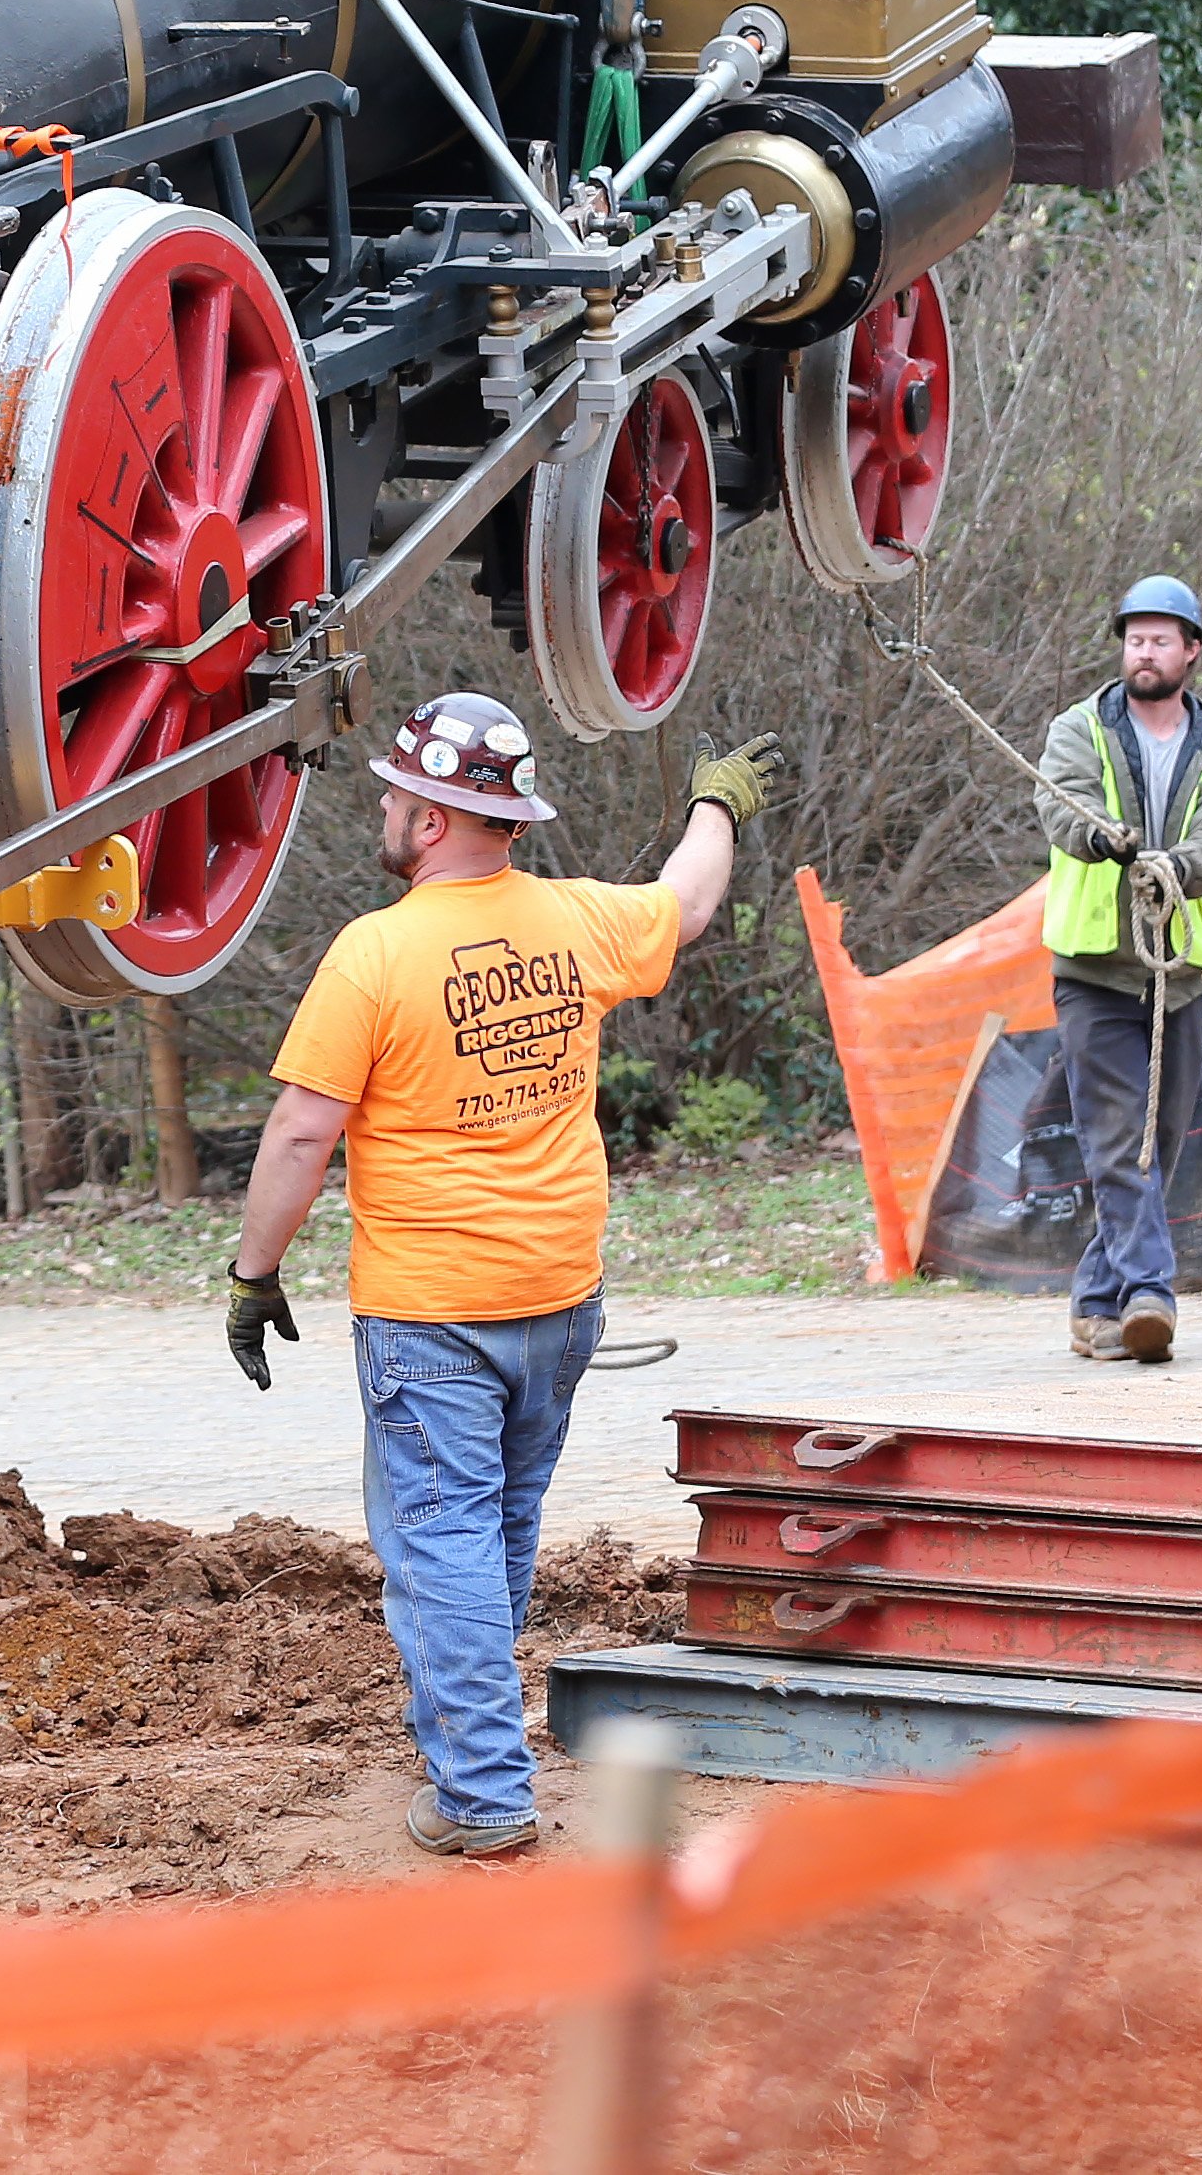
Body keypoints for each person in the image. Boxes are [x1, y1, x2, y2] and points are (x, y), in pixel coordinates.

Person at [224, 691, 767, 1861]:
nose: (380, 804)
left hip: (436, 1315)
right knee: (495, 1530)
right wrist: (716, 802)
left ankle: (480, 1794)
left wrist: (254, 1274)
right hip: (560, 1299)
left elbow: (301, 1135)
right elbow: (691, 891)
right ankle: (466, 1743)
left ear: (428, 817)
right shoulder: (575, 922)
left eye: (392, 792)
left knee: (444, 1544)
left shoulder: (377, 952)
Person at [1036, 572, 1202, 1367]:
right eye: (1135, 637)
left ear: (1192, 652)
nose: (1145, 651)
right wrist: (1108, 840)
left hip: (1179, 972)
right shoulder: (1078, 729)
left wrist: (1175, 866)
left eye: (1162, 638)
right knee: (1120, 1137)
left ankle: (1096, 1302)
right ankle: (1150, 1292)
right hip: (1094, 971)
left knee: (1158, 1141)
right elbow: (1061, 807)